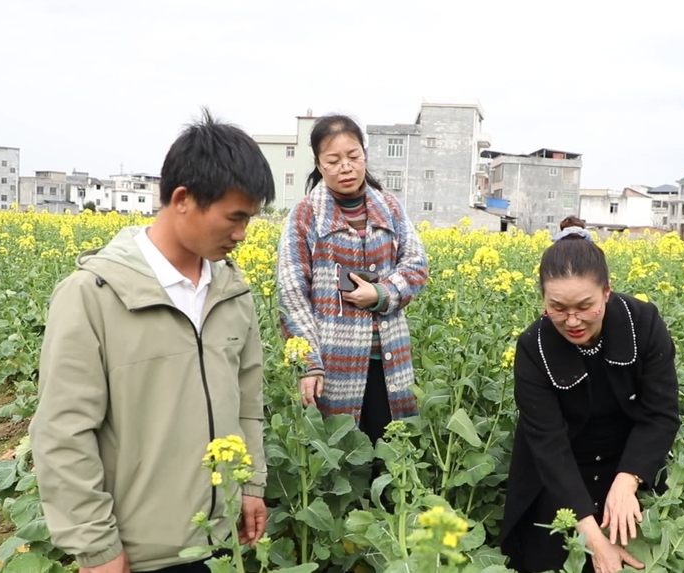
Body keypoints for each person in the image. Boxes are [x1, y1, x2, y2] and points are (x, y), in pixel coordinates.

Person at [29, 109, 274, 573]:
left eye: (250, 220)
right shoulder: (92, 296)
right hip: (140, 555)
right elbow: (63, 433)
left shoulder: (232, 293)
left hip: (224, 541)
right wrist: (97, 547)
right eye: (234, 217)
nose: (242, 235)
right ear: (183, 198)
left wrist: (251, 484)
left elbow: (247, 401)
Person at [499, 216, 680, 573]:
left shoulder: (643, 323)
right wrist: (594, 539)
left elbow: (661, 414)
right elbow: (548, 445)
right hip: (557, 481)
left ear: (607, 291)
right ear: (543, 300)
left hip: (628, 467)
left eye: (585, 306)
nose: (572, 320)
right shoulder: (533, 345)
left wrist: (629, 480)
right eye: (558, 308)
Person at [276, 114, 428, 444]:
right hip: (334, 365)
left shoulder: (388, 206)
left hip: (390, 359)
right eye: (333, 160)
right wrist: (308, 363)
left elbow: (416, 264)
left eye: (353, 156)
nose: (346, 167)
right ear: (318, 163)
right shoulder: (305, 215)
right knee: (340, 456)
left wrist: (382, 293)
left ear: (364, 156)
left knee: (392, 456)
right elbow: (291, 293)